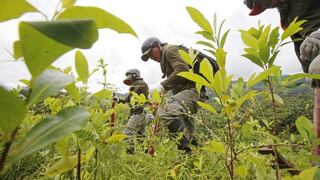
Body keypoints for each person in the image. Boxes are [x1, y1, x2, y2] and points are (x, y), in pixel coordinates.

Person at [141, 37, 200, 153]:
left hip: (193, 91)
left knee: (167, 111)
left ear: (157, 45)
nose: (151, 58)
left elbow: (182, 69)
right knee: (188, 132)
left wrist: (162, 86)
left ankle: (185, 153)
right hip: (185, 94)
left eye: (150, 53)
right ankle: (195, 161)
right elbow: (175, 80)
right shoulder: (164, 60)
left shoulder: (169, 50)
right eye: (148, 57)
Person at [243, 0, 320, 84]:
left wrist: (318, 35)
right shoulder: (286, 17)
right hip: (316, 53)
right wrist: (310, 76)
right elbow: (300, 46)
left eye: (262, 3)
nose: (267, 6)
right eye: (262, 7)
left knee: (316, 69)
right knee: (314, 73)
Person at [114, 69, 149, 138]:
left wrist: (131, 88)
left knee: (126, 135)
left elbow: (132, 97)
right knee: (140, 136)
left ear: (134, 75)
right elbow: (127, 100)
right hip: (139, 113)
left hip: (139, 113)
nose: (128, 77)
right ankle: (142, 148)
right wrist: (118, 99)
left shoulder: (141, 84)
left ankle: (130, 148)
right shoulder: (135, 85)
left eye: (129, 75)